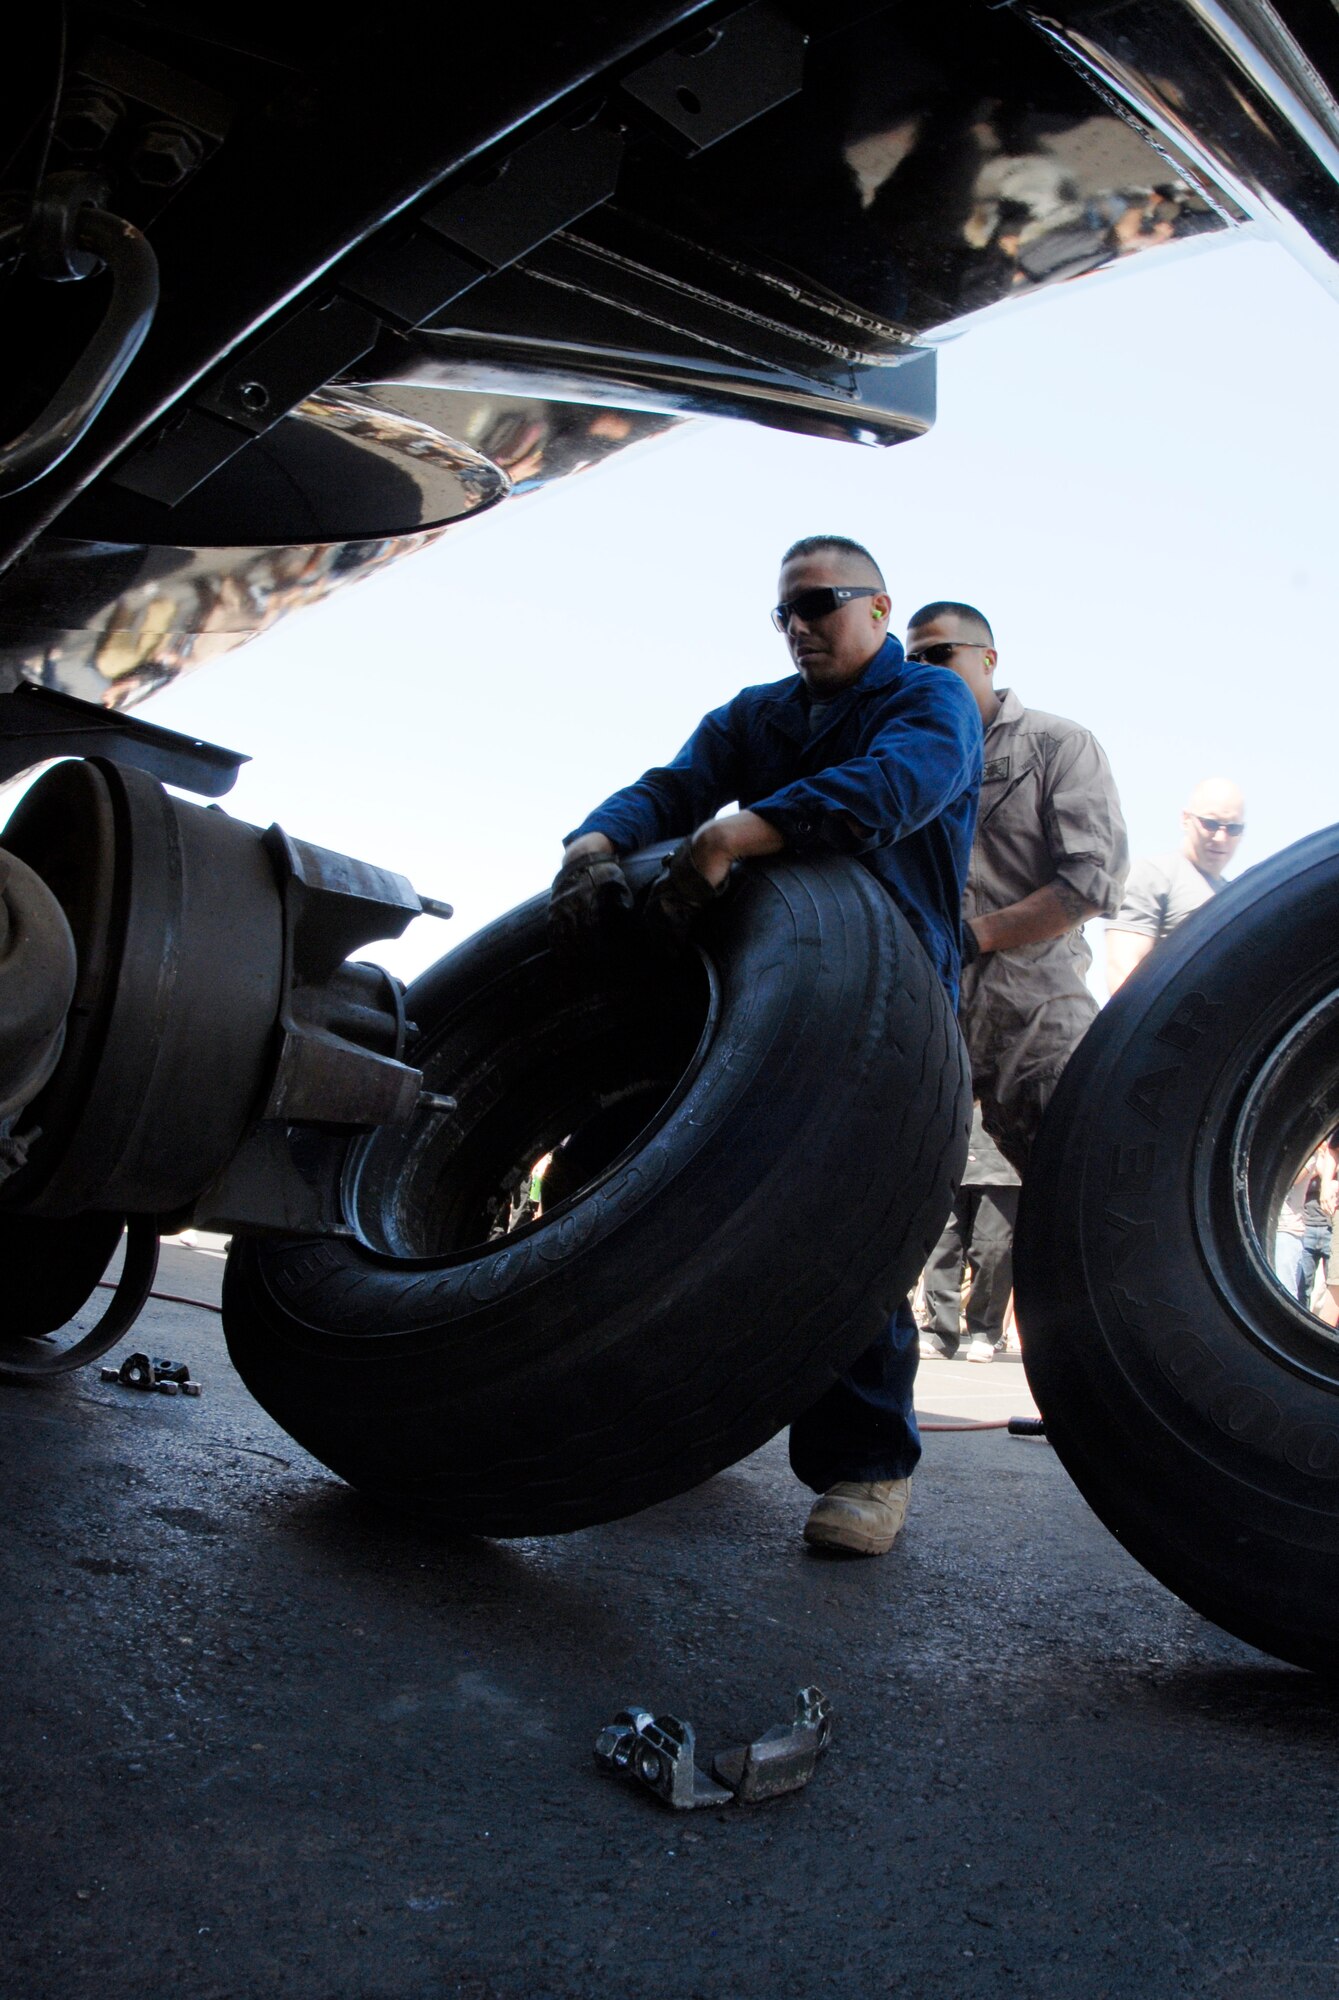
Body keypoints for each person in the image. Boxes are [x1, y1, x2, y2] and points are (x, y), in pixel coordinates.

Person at [550, 535, 983, 1558]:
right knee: (633, 1180)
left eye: (821, 604)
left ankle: (868, 1467)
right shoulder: (759, 715)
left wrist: (732, 837)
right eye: (784, 612)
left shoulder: (930, 702)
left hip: (890, 1008)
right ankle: (666, 1417)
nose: (799, 627)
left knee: (848, 1228)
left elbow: (889, 792)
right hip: (752, 1002)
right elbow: (672, 783)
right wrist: (594, 840)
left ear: (879, 607)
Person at [904, 601, 1128, 1174]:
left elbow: (1089, 884)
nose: (925, 670)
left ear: (988, 659)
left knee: (1081, 1196)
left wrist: (974, 937)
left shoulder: (1057, 745)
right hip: (938, 1034)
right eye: (913, 662)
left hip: (1037, 1024)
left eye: (939, 655)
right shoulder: (910, 765)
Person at [1105, 778, 1246, 992]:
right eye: (1211, 824)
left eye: (1233, 828)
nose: (1220, 837)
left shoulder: (1236, 897)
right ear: (1185, 819)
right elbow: (1122, 971)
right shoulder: (1152, 875)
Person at [919, 1104, 1020, 1362]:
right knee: (941, 1247)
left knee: (993, 1250)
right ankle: (940, 1332)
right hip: (950, 1154)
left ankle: (985, 1333)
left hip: (1001, 1162)